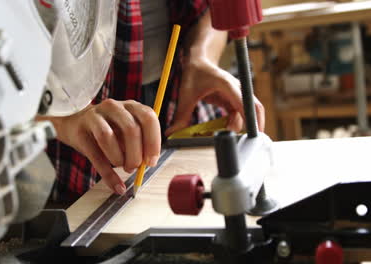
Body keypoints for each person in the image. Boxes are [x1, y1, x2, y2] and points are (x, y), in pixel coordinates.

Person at [39, 0, 265, 204]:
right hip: (79, 140)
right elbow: (6, 68)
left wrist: (201, 57)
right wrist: (64, 118)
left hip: (180, 104)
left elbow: (207, 9)